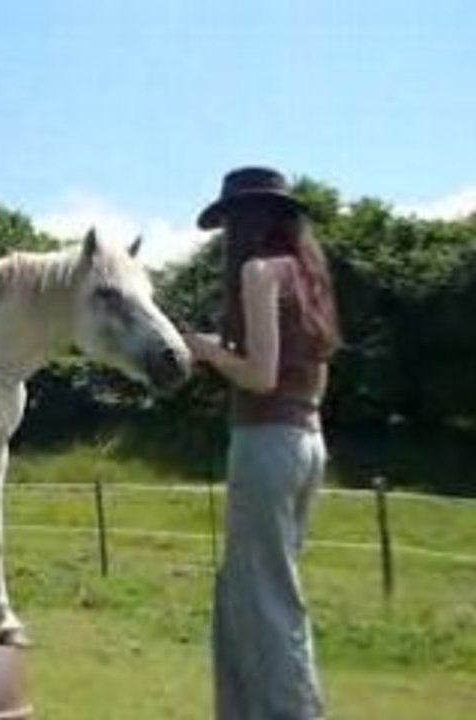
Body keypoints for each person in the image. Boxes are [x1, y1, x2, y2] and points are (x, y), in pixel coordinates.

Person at [184, 167, 341, 720]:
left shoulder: (258, 272)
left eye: (231, 222)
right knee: (249, 591)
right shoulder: (308, 275)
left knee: (268, 600)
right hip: (307, 440)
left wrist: (205, 350)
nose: (229, 235)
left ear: (248, 220)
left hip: (265, 441)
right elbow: (310, 379)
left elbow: (259, 376)